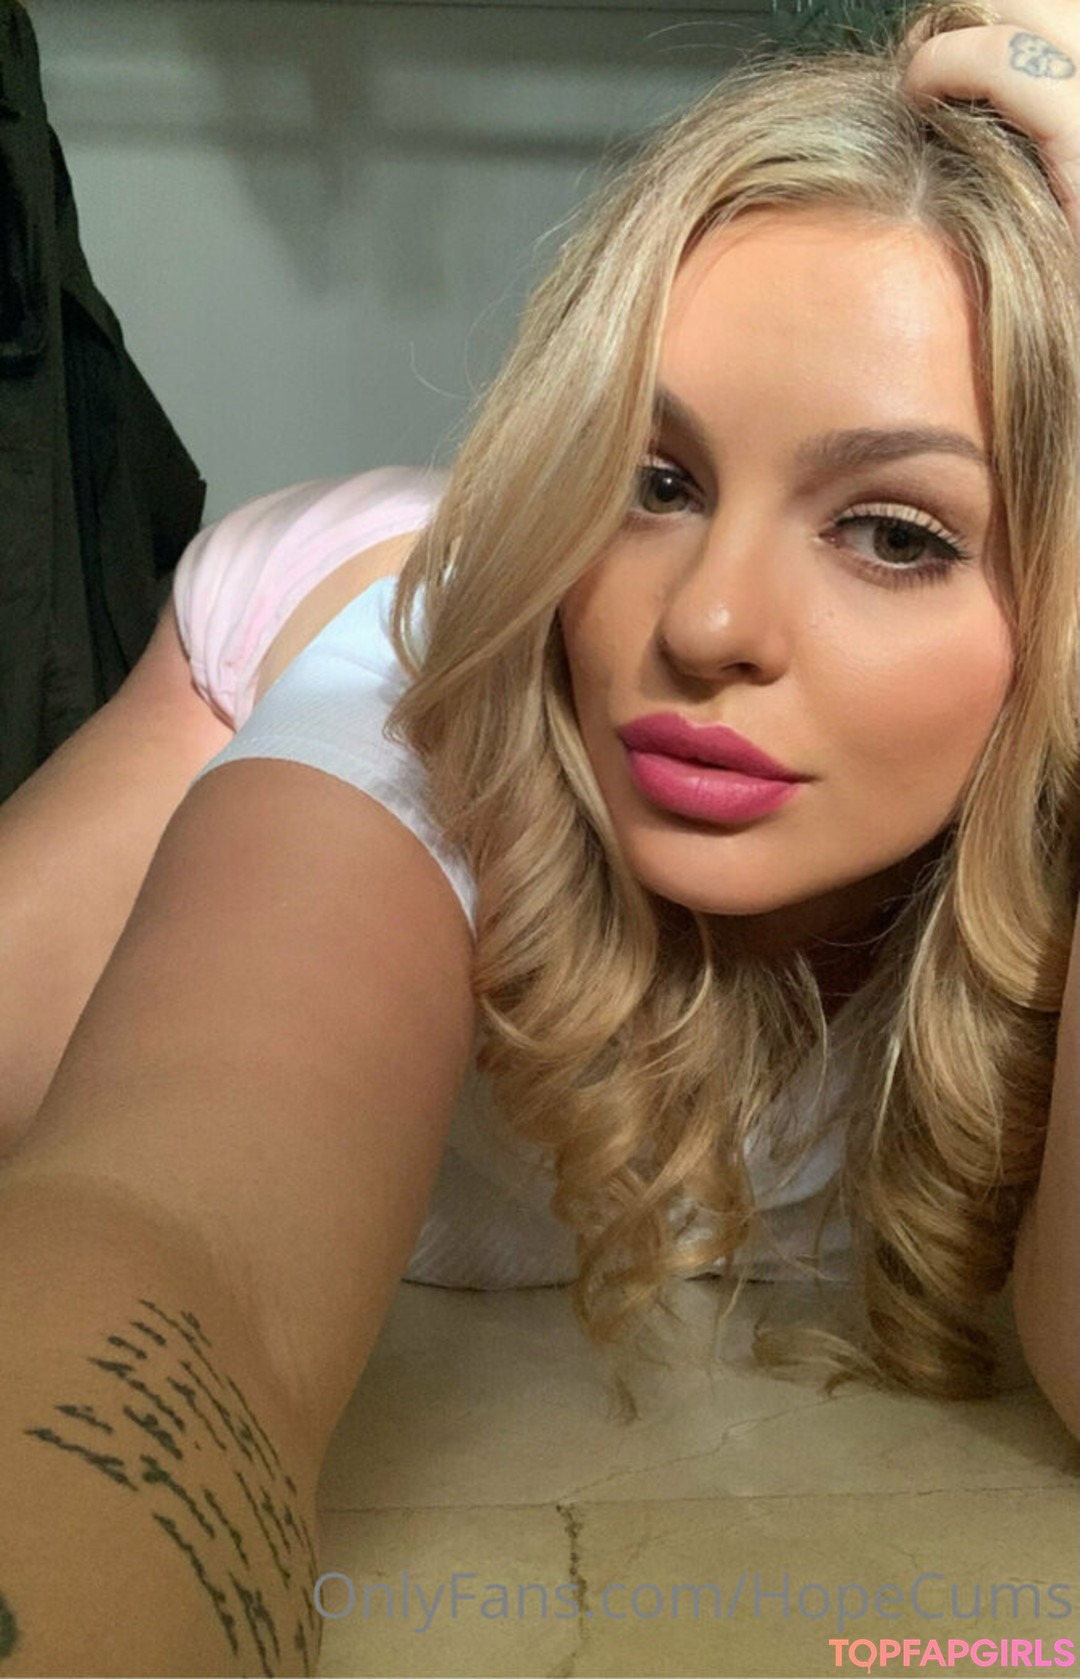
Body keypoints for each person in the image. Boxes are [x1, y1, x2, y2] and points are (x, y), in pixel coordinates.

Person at [0, 0, 1077, 1671]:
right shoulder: (418, 708)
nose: (706, 622)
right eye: (653, 479)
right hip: (345, 615)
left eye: (893, 533)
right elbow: (176, 1249)